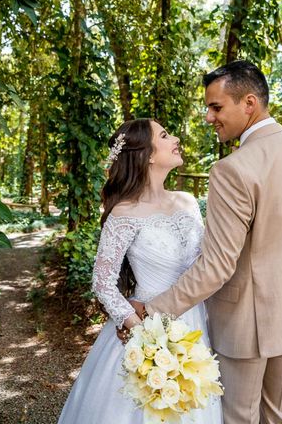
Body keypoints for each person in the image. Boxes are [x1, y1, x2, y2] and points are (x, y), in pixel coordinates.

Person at [128, 60, 282, 424]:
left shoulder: (233, 169)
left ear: (249, 103)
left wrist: (153, 311)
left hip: (248, 322)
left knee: (238, 417)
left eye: (216, 107)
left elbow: (217, 266)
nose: (208, 117)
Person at [58, 118, 223, 424]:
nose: (175, 138)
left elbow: (208, 264)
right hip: (147, 324)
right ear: (147, 154)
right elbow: (103, 281)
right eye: (164, 134)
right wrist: (139, 331)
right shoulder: (124, 212)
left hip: (197, 322)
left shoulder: (188, 202)